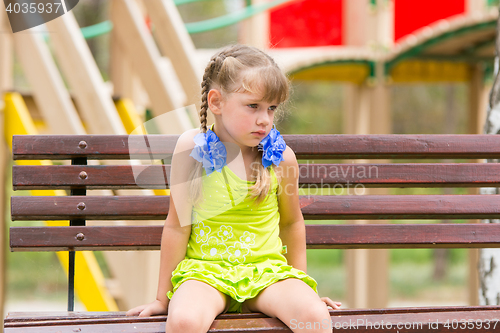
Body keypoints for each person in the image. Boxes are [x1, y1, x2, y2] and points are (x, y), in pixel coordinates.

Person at [127, 44, 341, 333]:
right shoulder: (191, 149)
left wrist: (301, 285)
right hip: (206, 273)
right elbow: (177, 226)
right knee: (184, 321)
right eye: (253, 106)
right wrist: (161, 298)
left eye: (271, 108)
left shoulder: (280, 157)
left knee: (314, 317)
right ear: (216, 102)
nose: (264, 119)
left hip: (266, 273)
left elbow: (291, 223)